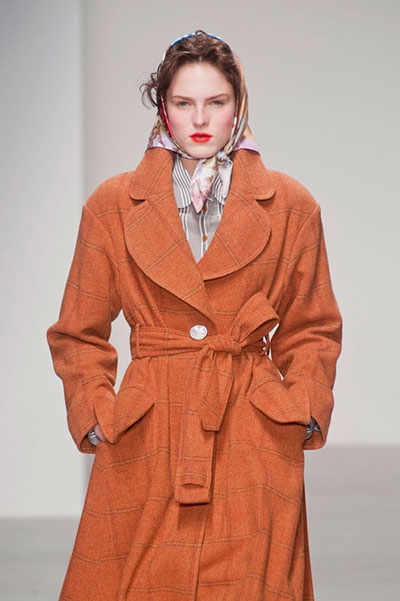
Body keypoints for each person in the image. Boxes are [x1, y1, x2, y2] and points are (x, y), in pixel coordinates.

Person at [47, 30, 342, 601]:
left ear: (238, 105)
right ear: (163, 107)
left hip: (251, 425)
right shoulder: (113, 205)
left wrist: (301, 407)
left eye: (216, 102)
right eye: (184, 102)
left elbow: (313, 325)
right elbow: (77, 330)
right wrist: (97, 412)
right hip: (148, 426)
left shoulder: (290, 206)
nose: (200, 119)